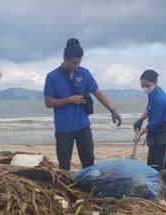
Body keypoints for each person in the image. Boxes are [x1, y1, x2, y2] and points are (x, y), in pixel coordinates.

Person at [44, 38, 122, 170]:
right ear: (65, 58)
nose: (76, 66)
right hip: (63, 128)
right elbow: (48, 102)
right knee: (64, 166)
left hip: (83, 126)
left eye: (79, 62)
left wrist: (112, 110)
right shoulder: (52, 76)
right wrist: (69, 100)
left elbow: (98, 92)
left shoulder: (84, 73)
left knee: (89, 162)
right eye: (73, 62)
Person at [132, 70, 166, 185]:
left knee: (162, 165)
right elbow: (149, 109)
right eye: (143, 86)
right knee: (152, 163)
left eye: (147, 85)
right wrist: (140, 119)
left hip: (164, 133)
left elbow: (154, 123)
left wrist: (140, 134)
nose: (145, 88)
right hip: (154, 134)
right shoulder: (152, 93)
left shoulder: (159, 97)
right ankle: (155, 186)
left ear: (155, 82)